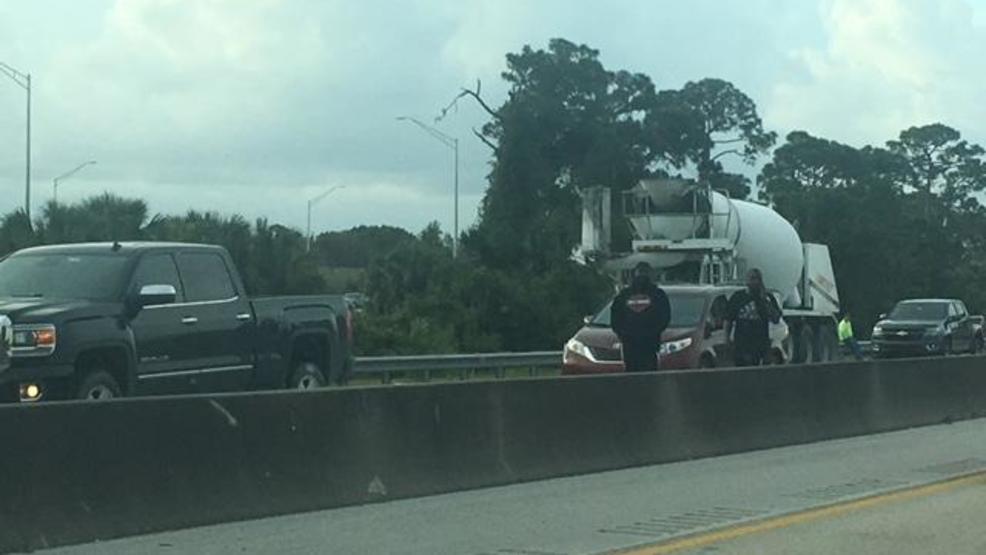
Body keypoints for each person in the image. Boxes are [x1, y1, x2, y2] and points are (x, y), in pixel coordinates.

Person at [611, 263, 671, 372]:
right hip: (648, 344)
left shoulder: (624, 295)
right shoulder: (658, 294)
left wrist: (624, 334)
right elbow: (664, 318)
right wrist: (653, 332)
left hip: (631, 344)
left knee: (632, 377)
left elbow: (615, 319)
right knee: (649, 376)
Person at [725, 268, 782, 366]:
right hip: (741, 345)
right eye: (751, 278)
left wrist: (766, 302)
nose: (754, 282)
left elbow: (776, 319)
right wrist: (726, 338)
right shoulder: (738, 297)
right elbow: (728, 319)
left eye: (757, 279)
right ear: (747, 280)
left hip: (760, 345)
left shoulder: (767, 297)